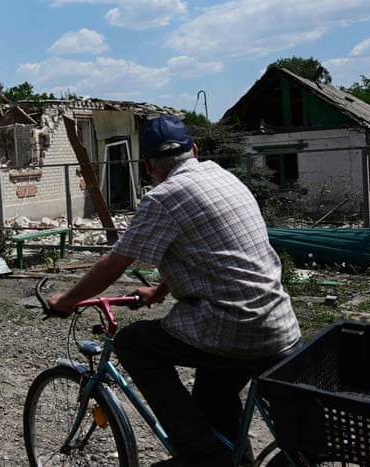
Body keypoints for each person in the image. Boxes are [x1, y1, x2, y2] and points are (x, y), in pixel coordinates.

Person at [47, 114, 302, 467]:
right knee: (213, 393)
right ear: (194, 150)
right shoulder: (222, 176)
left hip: (236, 325)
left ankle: (203, 455)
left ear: (149, 165)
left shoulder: (164, 198)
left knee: (133, 342)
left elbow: (114, 262)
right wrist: (159, 291)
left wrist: (65, 300)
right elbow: (206, 252)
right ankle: (232, 459)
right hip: (278, 320)